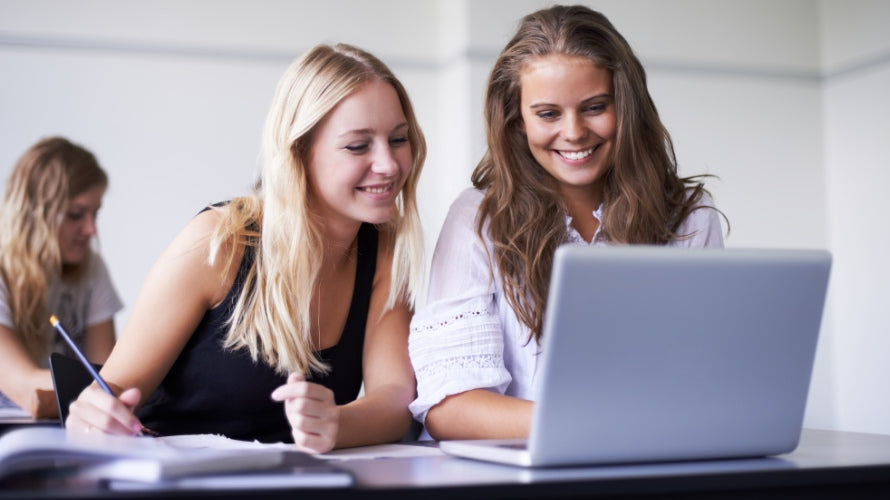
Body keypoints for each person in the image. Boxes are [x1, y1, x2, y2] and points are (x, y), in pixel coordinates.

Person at [66, 43, 425, 454]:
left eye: (398, 139)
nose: (390, 164)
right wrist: (90, 416)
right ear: (299, 152)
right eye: (358, 146)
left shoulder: (383, 248)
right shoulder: (219, 241)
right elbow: (110, 395)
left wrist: (336, 424)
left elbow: (395, 398)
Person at [408, 5, 727, 441]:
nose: (574, 132)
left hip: (650, 461)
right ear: (517, 121)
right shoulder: (478, 218)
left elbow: (706, 380)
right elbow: (451, 408)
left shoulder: (690, 215)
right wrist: (600, 424)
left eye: (595, 107)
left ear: (626, 107)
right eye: (548, 114)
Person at [0, 136, 121, 419]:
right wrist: (118, 385)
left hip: (46, 425)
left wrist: (116, 384)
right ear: (32, 214)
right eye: (76, 215)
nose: (91, 230)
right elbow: (28, 390)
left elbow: (107, 373)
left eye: (95, 214)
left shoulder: (91, 270)